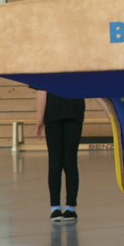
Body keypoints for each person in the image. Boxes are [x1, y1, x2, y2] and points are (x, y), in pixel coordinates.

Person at [35, 89, 86, 223]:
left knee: (55, 161)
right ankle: (71, 207)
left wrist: (40, 120)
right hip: (74, 110)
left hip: (53, 112)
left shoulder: (45, 73)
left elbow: (42, 91)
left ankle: (55, 207)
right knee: (71, 161)